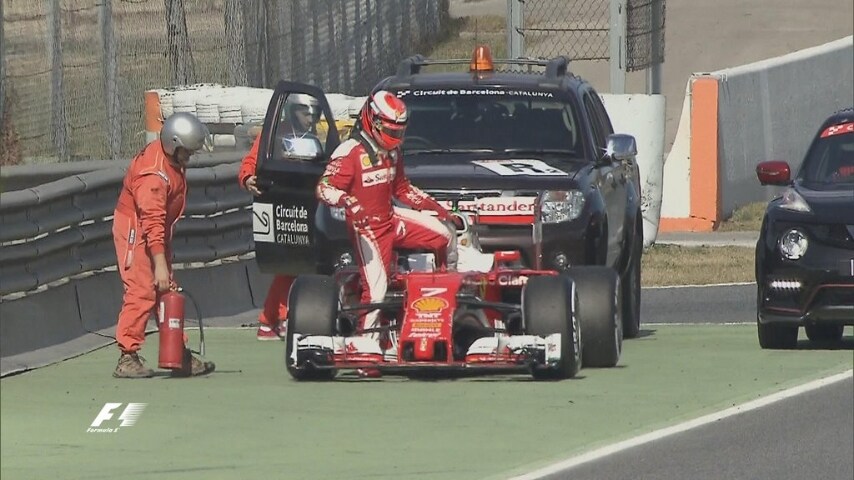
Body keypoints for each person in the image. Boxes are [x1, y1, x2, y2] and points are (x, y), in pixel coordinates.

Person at [316, 90, 454, 354]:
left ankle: (446, 294)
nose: (396, 138)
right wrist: (347, 201)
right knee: (377, 291)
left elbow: (403, 190)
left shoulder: (393, 152)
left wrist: (439, 209)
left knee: (444, 234)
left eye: (400, 132)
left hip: (391, 218)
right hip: (366, 228)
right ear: (373, 121)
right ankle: (364, 345)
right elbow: (324, 188)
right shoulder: (349, 152)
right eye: (391, 131)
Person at [112, 112, 216, 378]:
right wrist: (159, 264)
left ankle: (177, 353)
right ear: (174, 144)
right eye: (187, 151)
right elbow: (151, 222)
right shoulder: (153, 177)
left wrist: (163, 268)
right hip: (137, 230)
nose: (190, 156)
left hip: (156, 231)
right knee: (142, 290)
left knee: (166, 289)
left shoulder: (171, 162)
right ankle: (127, 356)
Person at [238, 94, 321, 340]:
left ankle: (268, 320)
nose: (310, 119)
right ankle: (283, 317)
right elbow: (251, 162)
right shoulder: (274, 133)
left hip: (303, 205)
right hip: (277, 206)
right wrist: (247, 179)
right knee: (289, 264)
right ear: (293, 111)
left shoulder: (313, 138)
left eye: (313, 115)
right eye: (306, 114)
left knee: (296, 264)